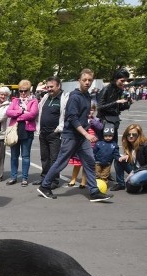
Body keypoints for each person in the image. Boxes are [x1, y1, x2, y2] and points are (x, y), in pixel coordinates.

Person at [37, 69, 113, 202]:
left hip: (81, 137)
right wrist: (87, 134)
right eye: (84, 80)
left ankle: (94, 192)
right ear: (79, 80)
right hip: (71, 135)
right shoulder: (74, 96)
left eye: (90, 80)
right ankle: (45, 186)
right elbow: (72, 118)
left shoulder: (87, 96)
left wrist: (88, 122)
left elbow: (82, 116)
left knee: (89, 161)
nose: (87, 82)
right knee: (61, 161)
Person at [97, 69, 132, 189]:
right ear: (116, 79)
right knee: (102, 148)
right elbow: (100, 107)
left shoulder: (119, 90)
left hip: (114, 122)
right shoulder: (106, 89)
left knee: (113, 148)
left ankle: (107, 173)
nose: (124, 83)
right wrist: (116, 102)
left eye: (125, 81)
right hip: (105, 122)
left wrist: (126, 104)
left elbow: (117, 108)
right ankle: (99, 173)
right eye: (122, 80)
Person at [34, 76, 69, 188]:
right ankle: (44, 177)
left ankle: (54, 180)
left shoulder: (63, 98)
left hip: (54, 134)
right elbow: (39, 112)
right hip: (43, 133)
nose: (49, 89)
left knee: (54, 159)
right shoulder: (46, 97)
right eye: (48, 87)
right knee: (44, 157)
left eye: (51, 86)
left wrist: (58, 129)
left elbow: (65, 116)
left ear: (58, 86)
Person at [6, 79, 39, 186]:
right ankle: (13, 176)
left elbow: (33, 114)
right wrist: (21, 111)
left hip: (27, 131)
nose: (23, 93)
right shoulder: (15, 101)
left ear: (30, 90)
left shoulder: (34, 101)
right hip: (15, 131)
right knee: (14, 156)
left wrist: (18, 116)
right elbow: (8, 112)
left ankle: (24, 178)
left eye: (26, 90)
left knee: (25, 156)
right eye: (21, 91)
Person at [112, 124, 147, 194]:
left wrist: (134, 172)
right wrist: (127, 156)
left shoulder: (146, 144)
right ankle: (121, 184)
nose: (131, 136)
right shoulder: (129, 144)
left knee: (133, 181)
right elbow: (135, 157)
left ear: (138, 135)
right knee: (119, 160)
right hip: (137, 169)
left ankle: (146, 183)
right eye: (129, 134)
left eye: (134, 134)